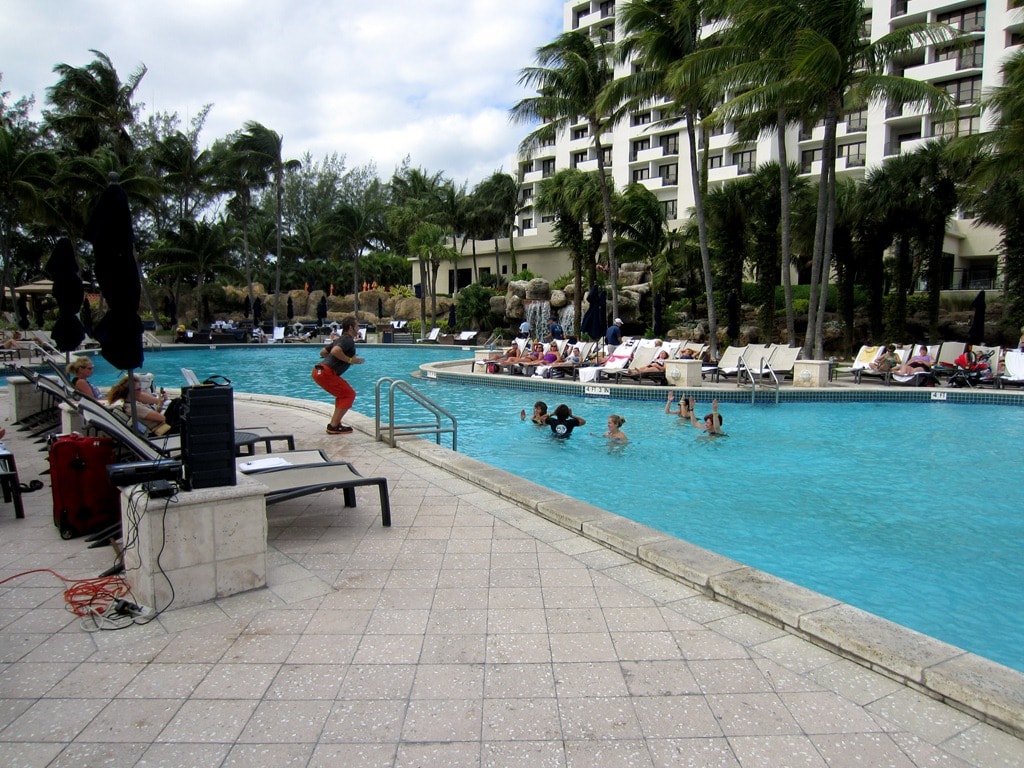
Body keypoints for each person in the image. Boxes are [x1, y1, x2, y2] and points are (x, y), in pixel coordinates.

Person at [312, 315, 364, 434]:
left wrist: (339, 359)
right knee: (349, 394)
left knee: (343, 395)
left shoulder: (339, 339)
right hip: (326, 372)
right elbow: (335, 351)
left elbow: (323, 352)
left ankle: (335, 424)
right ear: (351, 327)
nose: (359, 328)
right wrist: (350, 360)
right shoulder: (348, 340)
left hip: (318, 370)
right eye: (357, 326)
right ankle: (333, 426)